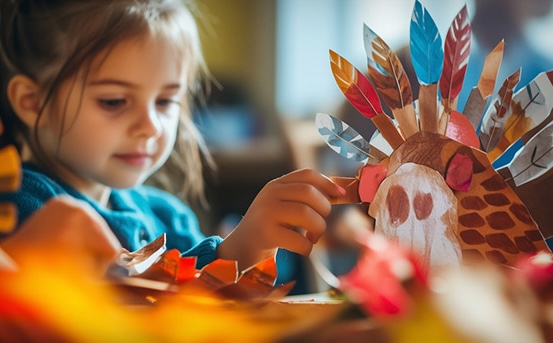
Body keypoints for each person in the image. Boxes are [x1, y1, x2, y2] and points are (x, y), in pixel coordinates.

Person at [0, 0, 346, 274]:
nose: (150, 127)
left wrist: (254, 247)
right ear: (31, 103)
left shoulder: (169, 217)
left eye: (165, 101)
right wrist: (230, 254)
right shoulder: (18, 208)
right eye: (114, 101)